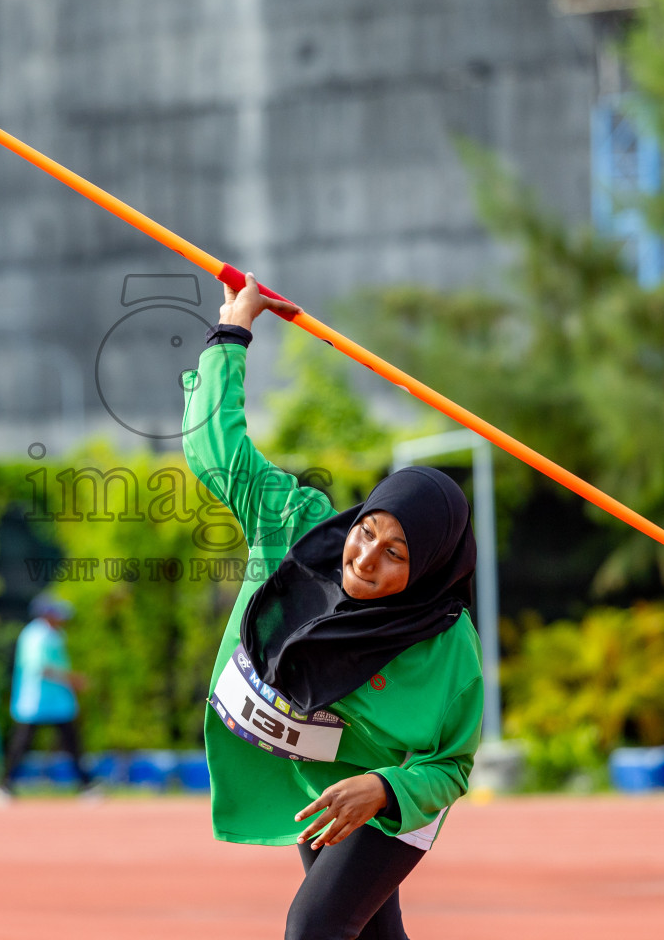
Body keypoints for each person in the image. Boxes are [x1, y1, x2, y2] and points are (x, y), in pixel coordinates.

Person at [181, 273, 485, 940]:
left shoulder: (443, 641)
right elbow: (216, 452)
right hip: (311, 773)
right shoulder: (295, 526)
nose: (365, 560)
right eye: (368, 530)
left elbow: (452, 764)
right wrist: (233, 330)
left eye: (396, 555)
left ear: (428, 569)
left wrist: (381, 790)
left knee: (314, 930)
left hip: (387, 795)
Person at [0, 592, 96, 802]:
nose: (62, 618)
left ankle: (86, 786)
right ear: (46, 614)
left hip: (58, 701)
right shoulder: (35, 636)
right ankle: (2, 786)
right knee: (21, 745)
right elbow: (42, 668)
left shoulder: (55, 634)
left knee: (72, 744)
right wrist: (72, 680)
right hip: (36, 700)